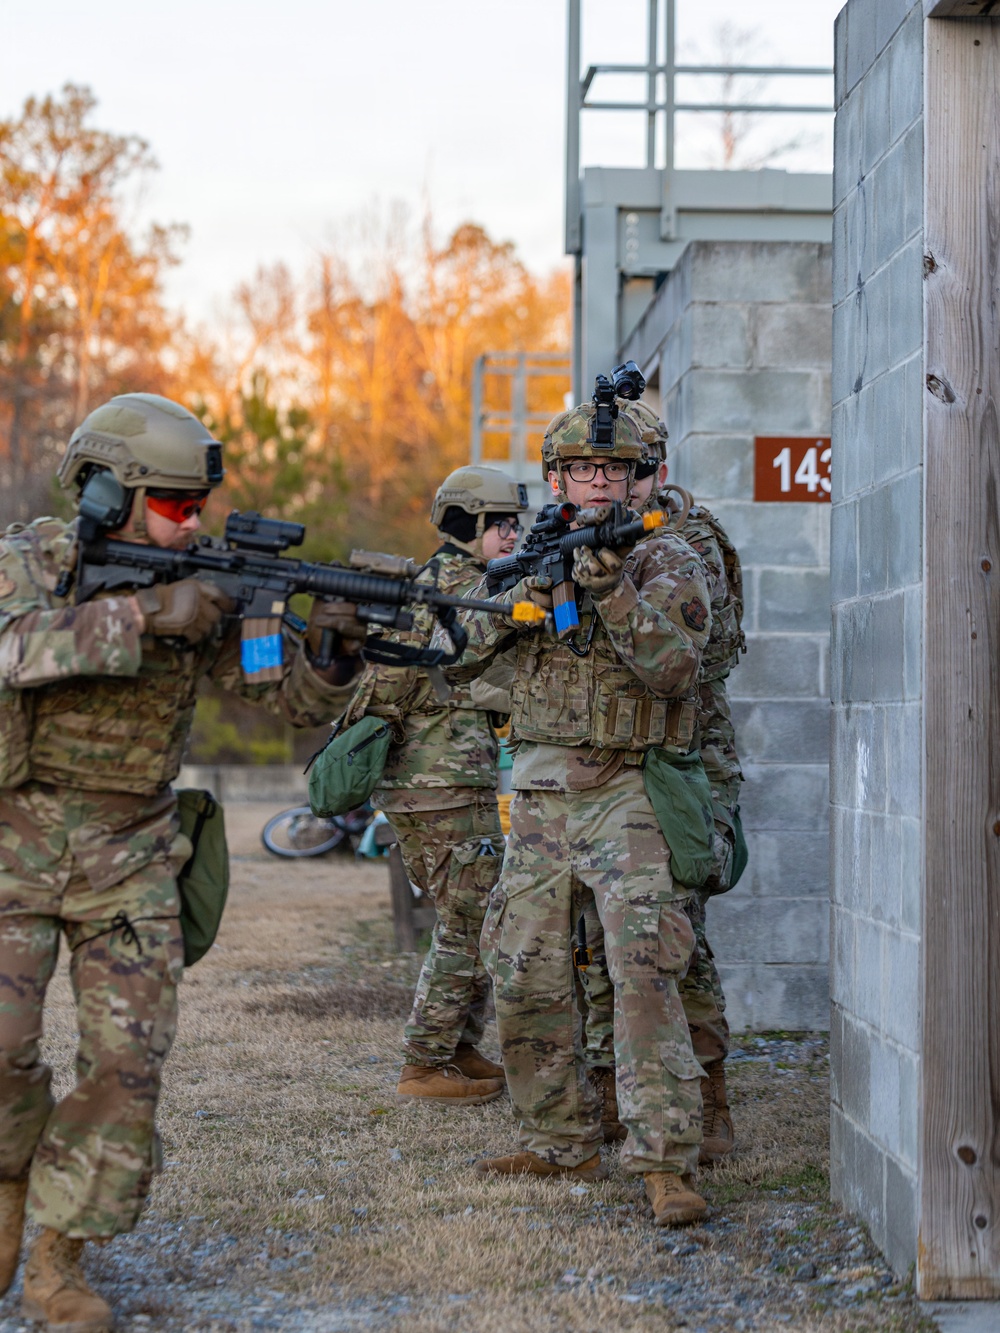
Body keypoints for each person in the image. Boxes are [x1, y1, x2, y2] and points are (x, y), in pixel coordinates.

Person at [0, 393, 362, 1331]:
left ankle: (59, 1258)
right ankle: (7, 1195)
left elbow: (281, 697)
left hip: (132, 853)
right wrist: (145, 616)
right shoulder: (33, 559)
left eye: (198, 504)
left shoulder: (203, 584)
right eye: (172, 503)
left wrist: (330, 652)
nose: (193, 521)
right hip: (13, 845)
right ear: (108, 493)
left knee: (126, 1064)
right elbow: (9, 648)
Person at [455, 401, 715, 1227]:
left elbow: (674, 669)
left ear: (635, 475)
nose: (596, 480)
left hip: (626, 789)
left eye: (612, 469)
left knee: (643, 968)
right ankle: (562, 1136)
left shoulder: (669, 555)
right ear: (557, 478)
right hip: (537, 792)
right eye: (579, 470)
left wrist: (609, 590)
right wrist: (522, 596)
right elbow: (459, 655)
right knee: (524, 964)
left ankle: (666, 1161)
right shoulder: (532, 556)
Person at [577, 399, 746, 1163]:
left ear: (658, 474)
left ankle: (708, 1103)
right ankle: (616, 1097)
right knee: (602, 934)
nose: (619, 487)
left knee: (678, 933)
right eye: (604, 472)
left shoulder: (688, 544)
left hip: (686, 756)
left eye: (633, 473)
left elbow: (687, 660)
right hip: (613, 757)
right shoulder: (603, 539)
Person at [340, 465, 529, 1106]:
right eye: (501, 524)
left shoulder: (473, 583)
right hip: (431, 784)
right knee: (471, 915)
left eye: (515, 524)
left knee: (473, 913)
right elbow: (423, 673)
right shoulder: (440, 591)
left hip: (455, 778)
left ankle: (457, 1047)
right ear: (466, 525)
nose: (512, 535)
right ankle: (423, 1062)